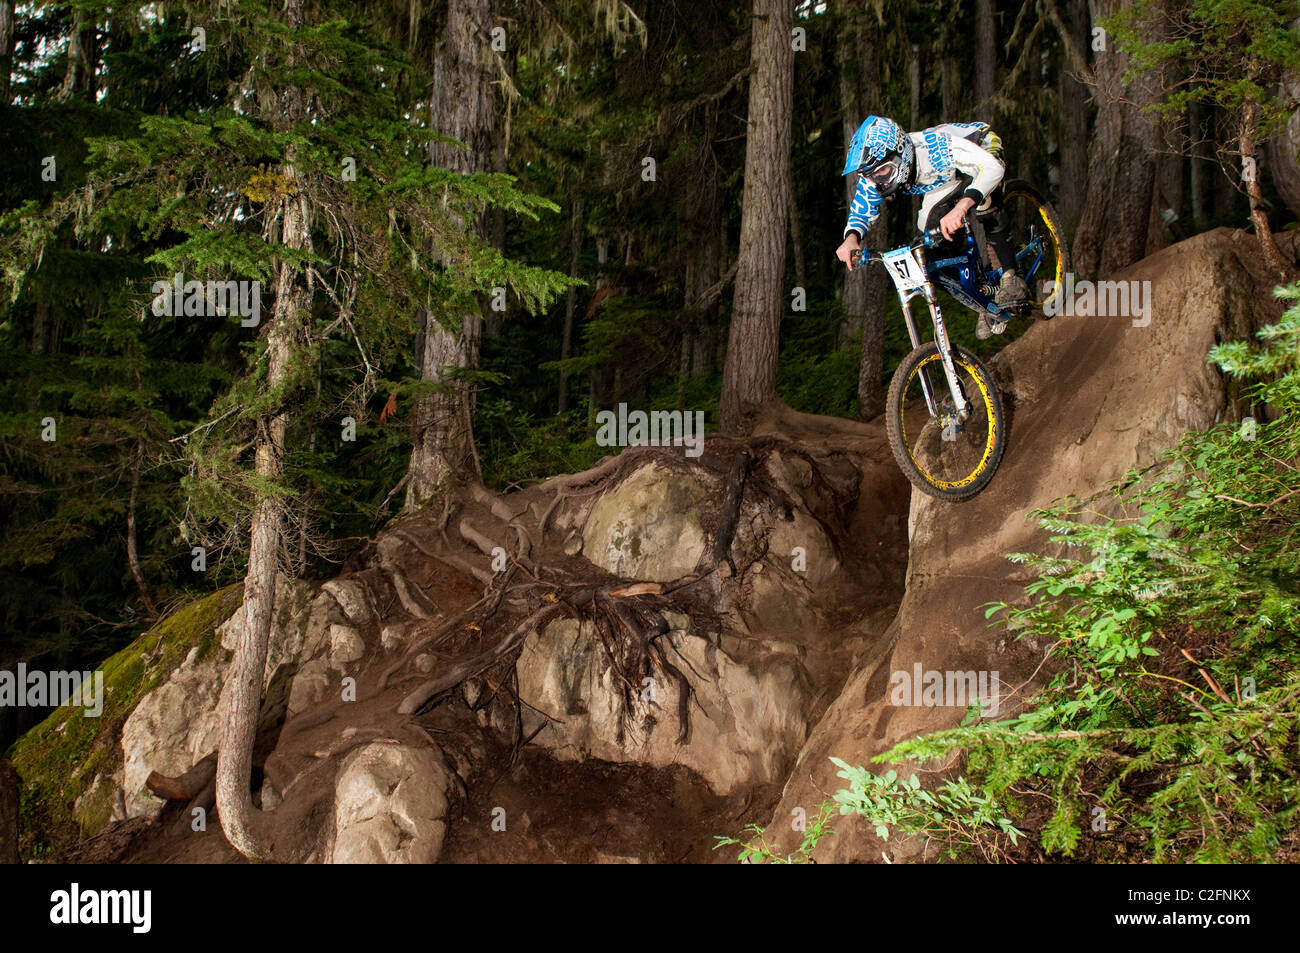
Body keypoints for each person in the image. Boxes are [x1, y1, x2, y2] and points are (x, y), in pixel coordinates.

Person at [835, 116, 1030, 339]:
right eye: (873, 176)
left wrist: (963, 206)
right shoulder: (876, 170)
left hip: (981, 151)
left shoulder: (935, 148)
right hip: (947, 180)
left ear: (901, 154)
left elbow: (991, 167)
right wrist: (851, 238)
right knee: (933, 248)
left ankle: (1010, 276)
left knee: (984, 203)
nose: (880, 181)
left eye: (884, 173)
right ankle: (987, 293)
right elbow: (862, 208)